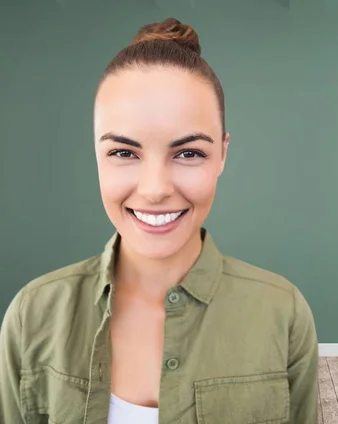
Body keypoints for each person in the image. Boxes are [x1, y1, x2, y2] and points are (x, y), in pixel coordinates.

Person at [0, 17, 319, 424]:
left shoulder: (283, 313)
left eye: (188, 153)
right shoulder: (33, 315)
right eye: (123, 153)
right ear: (96, 154)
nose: (154, 189)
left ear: (222, 154)